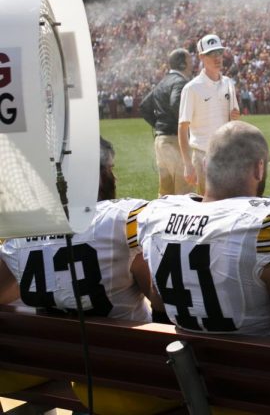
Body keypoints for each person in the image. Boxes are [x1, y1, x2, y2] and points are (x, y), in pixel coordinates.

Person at [131, 121, 270, 345]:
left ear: (205, 166)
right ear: (259, 168)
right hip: (259, 370)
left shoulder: (158, 215)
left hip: (188, 367)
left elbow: (160, 307)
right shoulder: (267, 224)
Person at [0, 138, 155, 323]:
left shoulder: (23, 233)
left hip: (50, 347)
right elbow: (163, 299)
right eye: (109, 169)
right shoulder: (119, 222)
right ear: (91, 175)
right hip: (126, 346)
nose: (115, 178)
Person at [178, 34, 240, 195]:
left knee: (228, 203)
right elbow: (183, 128)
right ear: (201, 57)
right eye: (212, 54)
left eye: (219, 53)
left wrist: (234, 117)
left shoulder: (228, 83)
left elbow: (233, 119)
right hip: (203, 154)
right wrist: (187, 164)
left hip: (226, 154)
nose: (217, 58)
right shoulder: (192, 88)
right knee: (207, 205)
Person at [141, 48, 192, 196]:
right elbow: (175, 102)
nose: (192, 64)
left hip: (161, 140)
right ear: (182, 64)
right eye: (190, 61)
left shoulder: (162, 82)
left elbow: (144, 106)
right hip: (175, 140)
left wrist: (160, 125)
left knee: (166, 191)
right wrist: (185, 126)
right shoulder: (180, 82)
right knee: (184, 191)